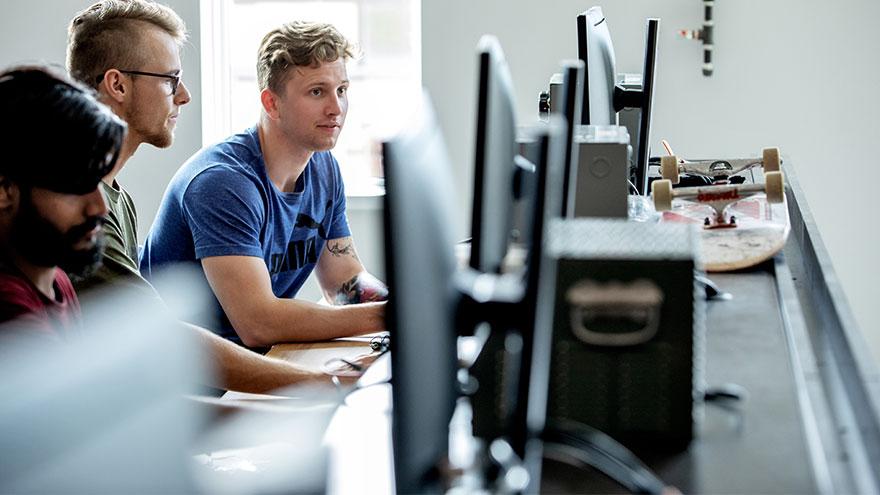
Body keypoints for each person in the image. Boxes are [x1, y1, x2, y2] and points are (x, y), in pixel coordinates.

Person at [66, 0, 364, 391]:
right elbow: (174, 341)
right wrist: (322, 384)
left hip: (183, 390)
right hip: (172, 393)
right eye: (171, 79)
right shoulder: (83, 205)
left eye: (342, 90)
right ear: (117, 84)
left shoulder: (114, 196)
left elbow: (344, 281)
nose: (184, 95)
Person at [140, 20, 387, 348]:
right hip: (188, 379)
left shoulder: (323, 167)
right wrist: (390, 316)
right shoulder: (222, 183)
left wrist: (406, 303)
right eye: (317, 92)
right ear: (271, 103)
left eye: (341, 90)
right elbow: (259, 323)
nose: (336, 108)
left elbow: (344, 283)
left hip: (255, 361)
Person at [0, 66, 121, 337]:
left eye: (97, 180)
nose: (100, 207)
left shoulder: (53, 277)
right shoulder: (10, 309)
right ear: (4, 189)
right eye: (74, 186)